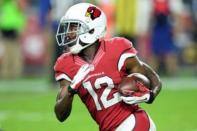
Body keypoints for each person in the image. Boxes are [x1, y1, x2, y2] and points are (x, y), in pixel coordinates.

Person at [53, 3, 162, 131]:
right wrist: (71, 90)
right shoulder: (66, 63)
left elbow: (152, 77)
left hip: (133, 121)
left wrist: (151, 96)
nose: (68, 33)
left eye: (74, 28)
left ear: (92, 29)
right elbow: (60, 115)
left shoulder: (117, 48)